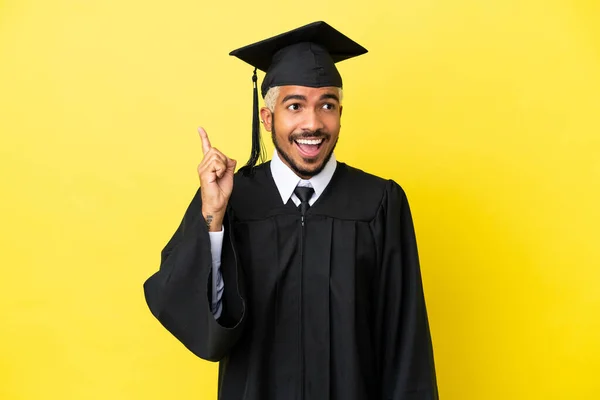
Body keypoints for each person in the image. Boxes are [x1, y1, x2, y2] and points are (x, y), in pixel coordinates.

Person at [143, 21, 438, 400]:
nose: (312, 123)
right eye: (295, 106)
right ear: (268, 119)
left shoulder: (379, 203)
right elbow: (205, 328)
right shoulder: (230, 201)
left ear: (340, 114)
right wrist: (213, 221)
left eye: (326, 105)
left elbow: (405, 342)